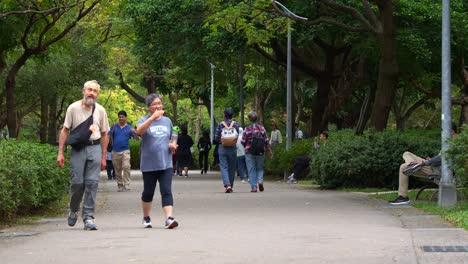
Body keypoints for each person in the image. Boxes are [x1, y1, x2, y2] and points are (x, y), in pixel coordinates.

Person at [56, 80, 109, 231]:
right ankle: (73, 209)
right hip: (78, 149)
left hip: (94, 148)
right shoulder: (73, 108)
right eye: (89, 90)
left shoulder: (100, 110)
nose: (92, 93)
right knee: (77, 182)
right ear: (83, 91)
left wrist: (104, 156)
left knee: (92, 183)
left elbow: (105, 134)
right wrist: (60, 152)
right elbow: (65, 130)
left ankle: (88, 217)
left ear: (97, 94)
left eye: (95, 91)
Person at [136, 93, 178, 229]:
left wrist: (173, 144)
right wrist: (153, 118)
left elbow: (173, 136)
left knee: (166, 191)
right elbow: (139, 132)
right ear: (148, 107)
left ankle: (169, 218)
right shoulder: (143, 120)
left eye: (159, 103)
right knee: (148, 192)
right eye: (154, 104)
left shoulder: (167, 121)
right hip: (149, 164)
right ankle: (146, 217)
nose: (158, 106)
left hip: (166, 163)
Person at [389, 125, 457, 205]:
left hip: (440, 171)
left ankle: (403, 197)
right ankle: (412, 164)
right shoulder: (449, 141)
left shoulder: (455, 142)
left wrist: (426, 162)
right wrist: (430, 160)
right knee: (406, 153)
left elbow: (442, 157)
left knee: (403, 167)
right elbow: (442, 159)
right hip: (434, 166)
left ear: (451, 131)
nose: (442, 133)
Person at [242, 111, 273, 192]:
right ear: (257, 119)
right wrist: (269, 151)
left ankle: (254, 187)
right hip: (260, 151)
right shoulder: (262, 128)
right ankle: (260, 181)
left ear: (249, 119)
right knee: (260, 168)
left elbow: (243, 141)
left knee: (251, 169)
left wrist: (247, 146)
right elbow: (266, 141)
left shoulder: (247, 129)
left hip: (249, 152)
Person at [110, 110, 139, 192]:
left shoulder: (129, 128)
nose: (121, 118)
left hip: (125, 150)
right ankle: (120, 185)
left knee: (126, 166)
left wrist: (135, 132)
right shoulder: (114, 126)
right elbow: (108, 136)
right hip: (115, 151)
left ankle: (126, 184)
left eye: (123, 117)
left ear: (126, 118)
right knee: (117, 169)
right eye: (120, 117)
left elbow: (137, 139)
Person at [215, 108, 239, 193]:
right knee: (232, 167)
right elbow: (237, 135)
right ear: (232, 115)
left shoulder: (220, 124)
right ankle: (230, 185)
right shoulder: (235, 124)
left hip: (223, 147)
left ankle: (227, 185)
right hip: (233, 148)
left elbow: (217, 137)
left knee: (224, 167)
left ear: (224, 115)